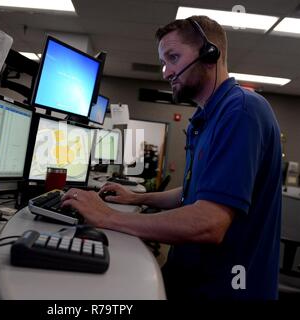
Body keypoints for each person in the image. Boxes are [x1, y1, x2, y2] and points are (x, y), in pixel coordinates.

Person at [61, 15, 282, 300]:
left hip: (225, 289)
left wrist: (107, 217)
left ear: (209, 53)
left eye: (173, 58)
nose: (166, 72)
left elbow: (209, 222)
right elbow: (194, 193)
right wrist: (137, 198)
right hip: (191, 275)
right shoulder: (206, 118)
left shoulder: (240, 111)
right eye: (163, 62)